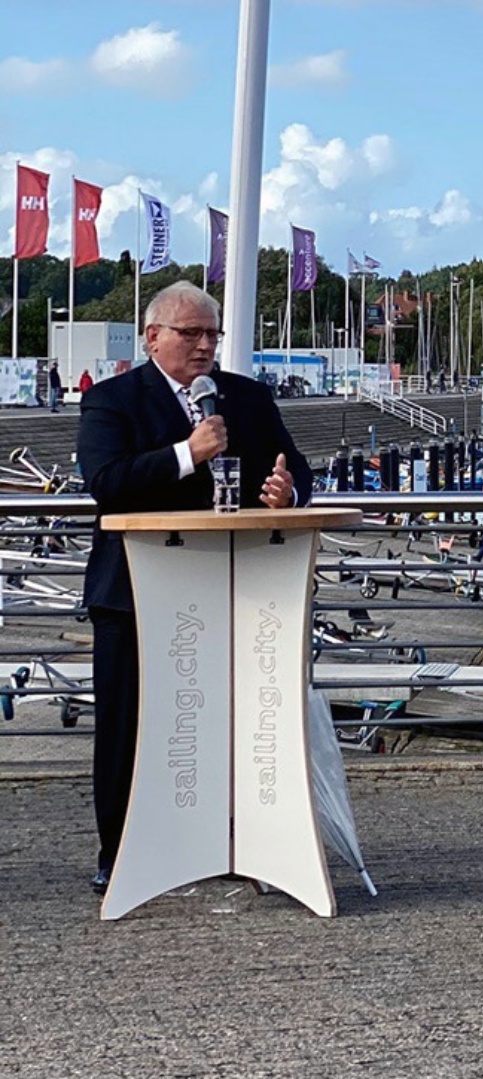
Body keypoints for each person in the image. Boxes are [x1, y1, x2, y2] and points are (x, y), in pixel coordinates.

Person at [76, 281, 312, 895]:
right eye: (191, 334)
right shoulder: (112, 400)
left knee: (224, 724)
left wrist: (286, 492)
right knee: (129, 730)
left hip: (231, 586)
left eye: (213, 334)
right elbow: (107, 483)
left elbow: (295, 468)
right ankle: (120, 853)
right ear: (153, 337)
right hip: (134, 594)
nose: (205, 346)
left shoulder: (247, 397)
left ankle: (229, 845)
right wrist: (188, 453)